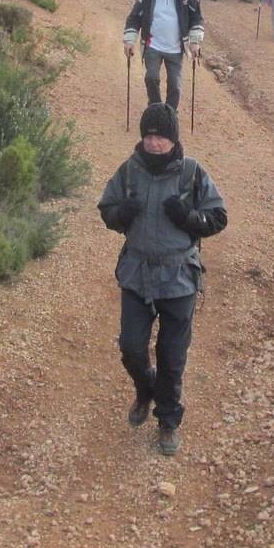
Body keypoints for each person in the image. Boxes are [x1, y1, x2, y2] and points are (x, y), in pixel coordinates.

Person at [97, 103, 228, 456]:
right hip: (137, 274)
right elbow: (106, 209)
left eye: (161, 137)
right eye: (149, 136)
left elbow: (217, 218)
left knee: (171, 355)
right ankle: (145, 389)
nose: (154, 143)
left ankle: (168, 420)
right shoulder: (129, 171)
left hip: (179, 278)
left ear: (173, 139)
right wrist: (121, 213)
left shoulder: (191, 173)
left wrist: (188, 218)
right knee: (131, 348)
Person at [124, 0, 204, 110]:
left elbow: (197, 17)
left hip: (175, 48)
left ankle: (170, 113)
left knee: (175, 85)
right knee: (152, 78)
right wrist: (130, 41)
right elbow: (134, 18)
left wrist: (195, 41)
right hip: (153, 45)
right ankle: (155, 108)